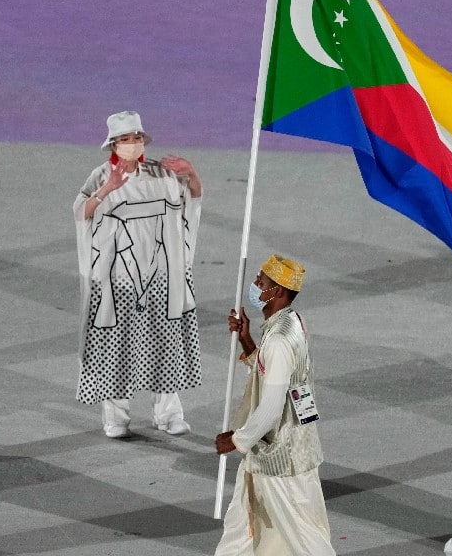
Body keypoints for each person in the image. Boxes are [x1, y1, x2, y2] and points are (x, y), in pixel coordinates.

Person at [72, 110, 203, 438]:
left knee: (165, 342)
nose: (132, 144)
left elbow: (190, 201)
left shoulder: (161, 173)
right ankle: (116, 417)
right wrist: (108, 189)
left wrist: (192, 174)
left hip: (161, 275)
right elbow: (81, 212)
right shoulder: (101, 175)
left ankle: (169, 414)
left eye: (136, 138)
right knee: (116, 345)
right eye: (125, 139)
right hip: (118, 277)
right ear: (112, 144)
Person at [213, 255, 334, 556]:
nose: (255, 285)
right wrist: (247, 341)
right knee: (245, 528)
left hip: (281, 459)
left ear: (277, 290)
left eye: (261, 281)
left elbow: (270, 408)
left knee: (303, 538)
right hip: (289, 450)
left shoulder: (279, 339)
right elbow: (272, 373)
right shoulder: (292, 322)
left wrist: (236, 440)